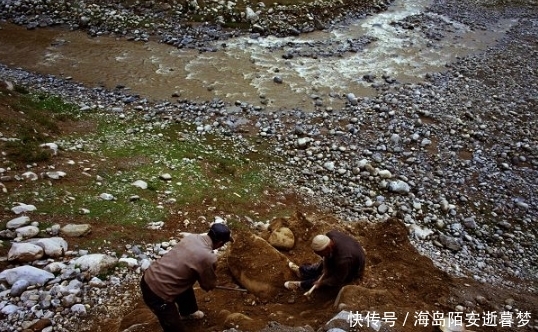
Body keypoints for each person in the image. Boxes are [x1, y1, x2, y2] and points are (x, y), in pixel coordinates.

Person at [140, 223, 234, 332]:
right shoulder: (208, 257)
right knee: (174, 327)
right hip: (158, 293)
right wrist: (211, 283)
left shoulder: (193, 237)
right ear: (220, 243)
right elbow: (207, 285)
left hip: (150, 274)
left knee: (185, 282)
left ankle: (188, 312)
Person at [284, 230, 366, 295]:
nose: (320, 255)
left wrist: (322, 283)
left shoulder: (343, 260)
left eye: (321, 253)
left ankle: (301, 285)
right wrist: (326, 267)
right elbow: (326, 257)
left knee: (325, 279)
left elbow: (338, 279)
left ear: (328, 248)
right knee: (321, 265)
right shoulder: (330, 235)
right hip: (341, 256)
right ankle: (302, 271)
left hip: (352, 270)